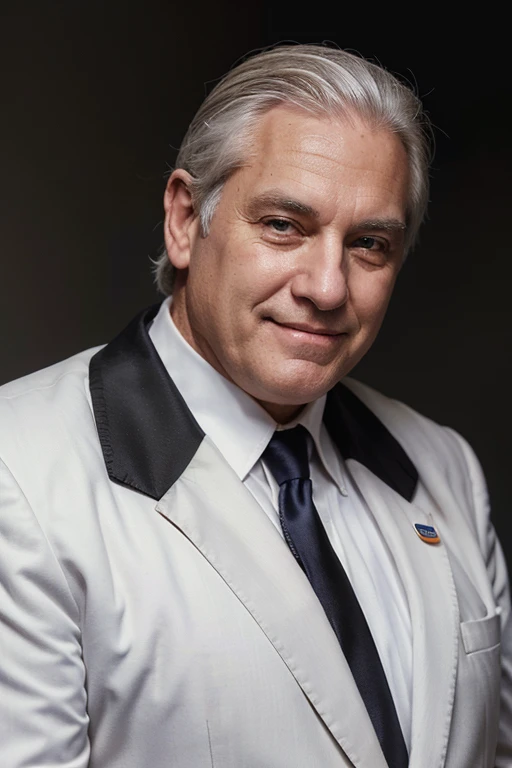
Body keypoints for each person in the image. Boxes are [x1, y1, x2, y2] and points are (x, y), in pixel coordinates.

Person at [0, 43, 510, 768]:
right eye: (284, 226)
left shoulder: (444, 466)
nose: (327, 287)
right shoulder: (18, 474)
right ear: (184, 220)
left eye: (369, 244)